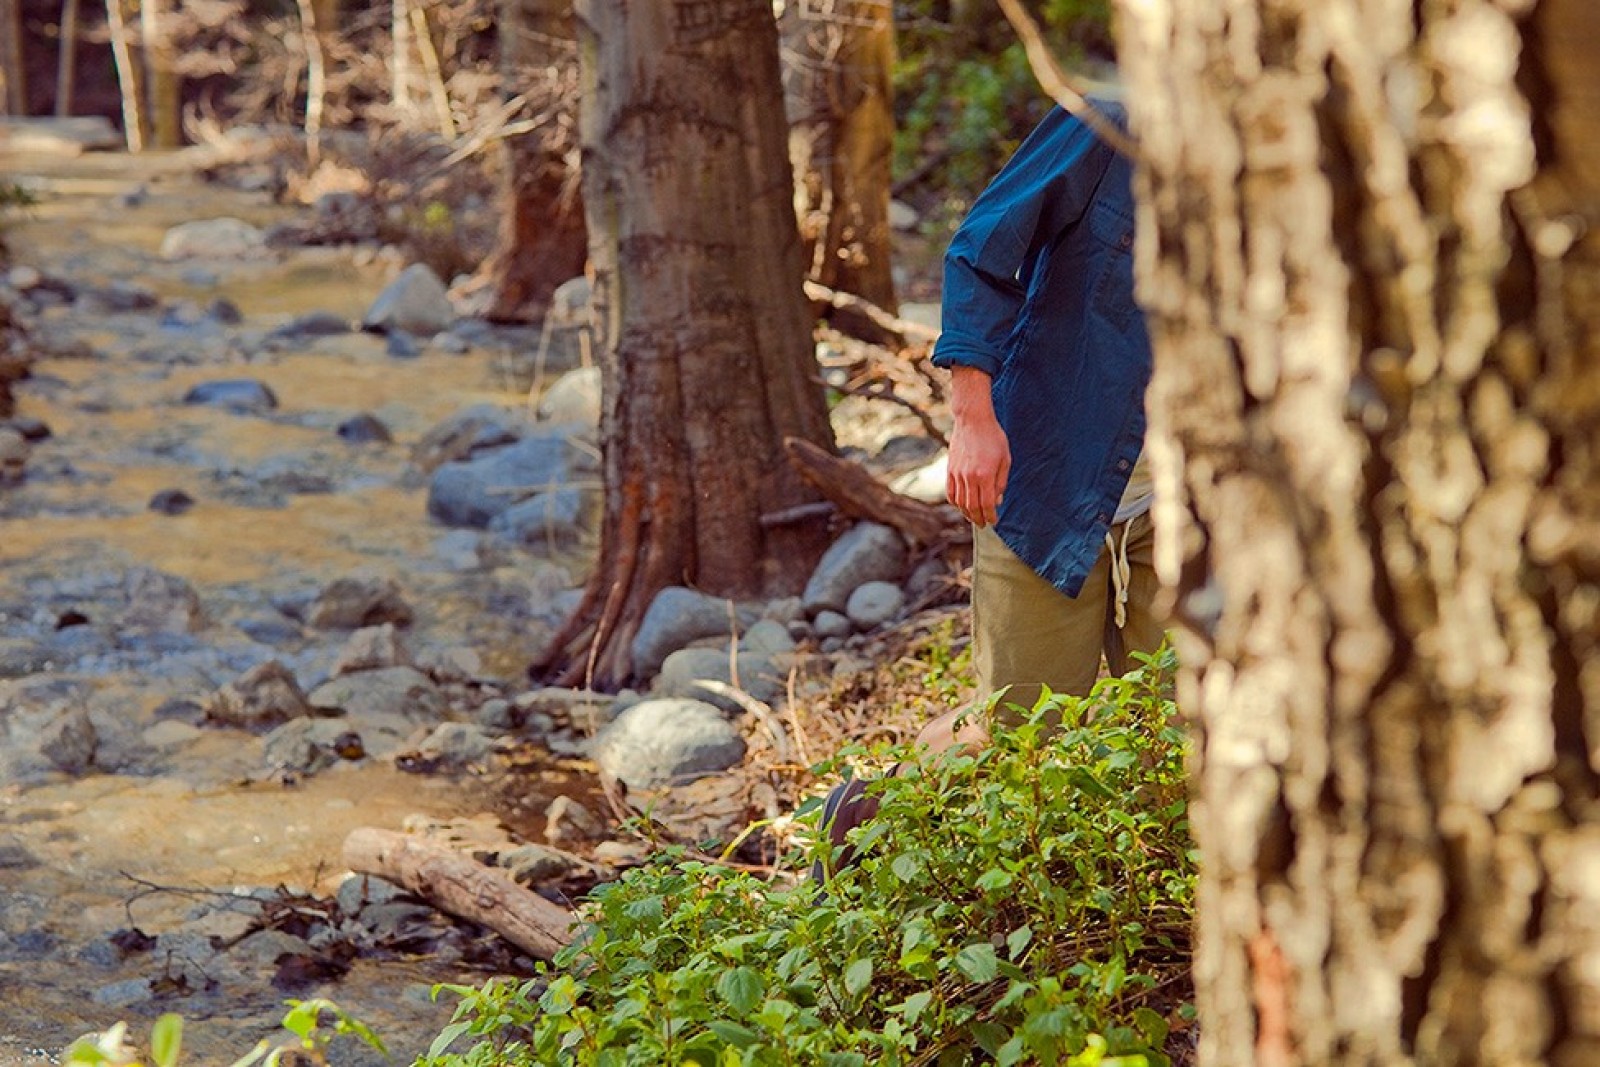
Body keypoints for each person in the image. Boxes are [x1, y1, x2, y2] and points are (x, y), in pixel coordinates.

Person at [815, 98, 1164, 877]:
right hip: (1045, 478)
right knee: (1020, 738)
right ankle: (868, 809)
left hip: (1181, 506)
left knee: (1177, 734)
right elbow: (979, 253)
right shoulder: (1110, 123)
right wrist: (973, 420)